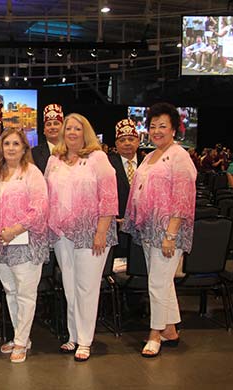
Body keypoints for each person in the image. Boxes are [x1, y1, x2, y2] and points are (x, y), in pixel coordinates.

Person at [121, 102, 197, 358]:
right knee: (162, 283)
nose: (156, 131)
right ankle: (171, 330)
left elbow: (183, 199)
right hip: (150, 230)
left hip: (168, 231)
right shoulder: (150, 155)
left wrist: (171, 234)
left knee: (157, 283)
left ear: (174, 129)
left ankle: (155, 333)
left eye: (163, 126)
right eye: (152, 126)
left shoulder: (179, 156)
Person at [45, 113, 118, 362]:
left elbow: (109, 198)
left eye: (77, 128)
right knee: (70, 287)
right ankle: (73, 336)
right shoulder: (54, 159)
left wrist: (101, 232)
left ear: (85, 131)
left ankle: (85, 340)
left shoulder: (98, 158)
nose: (72, 132)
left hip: (91, 233)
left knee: (86, 287)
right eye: (68, 128)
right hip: (61, 234)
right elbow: (46, 193)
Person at [0, 128, 48, 363]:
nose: (11, 148)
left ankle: (22, 342)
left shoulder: (32, 173)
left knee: (25, 292)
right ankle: (21, 336)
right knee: (11, 290)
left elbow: (40, 208)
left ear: (24, 148)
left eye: (16, 144)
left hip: (25, 241)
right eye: (7, 144)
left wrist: (15, 229)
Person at [108, 119, 141, 258]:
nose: (127, 143)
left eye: (131, 139)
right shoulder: (107, 163)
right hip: (117, 225)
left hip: (142, 226)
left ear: (138, 141)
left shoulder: (149, 163)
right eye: (122, 140)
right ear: (116, 144)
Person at [32, 103, 63, 173]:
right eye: (48, 124)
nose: (52, 127)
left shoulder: (71, 150)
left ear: (63, 128)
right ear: (44, 130)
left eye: (56, 123)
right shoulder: (34, 154)